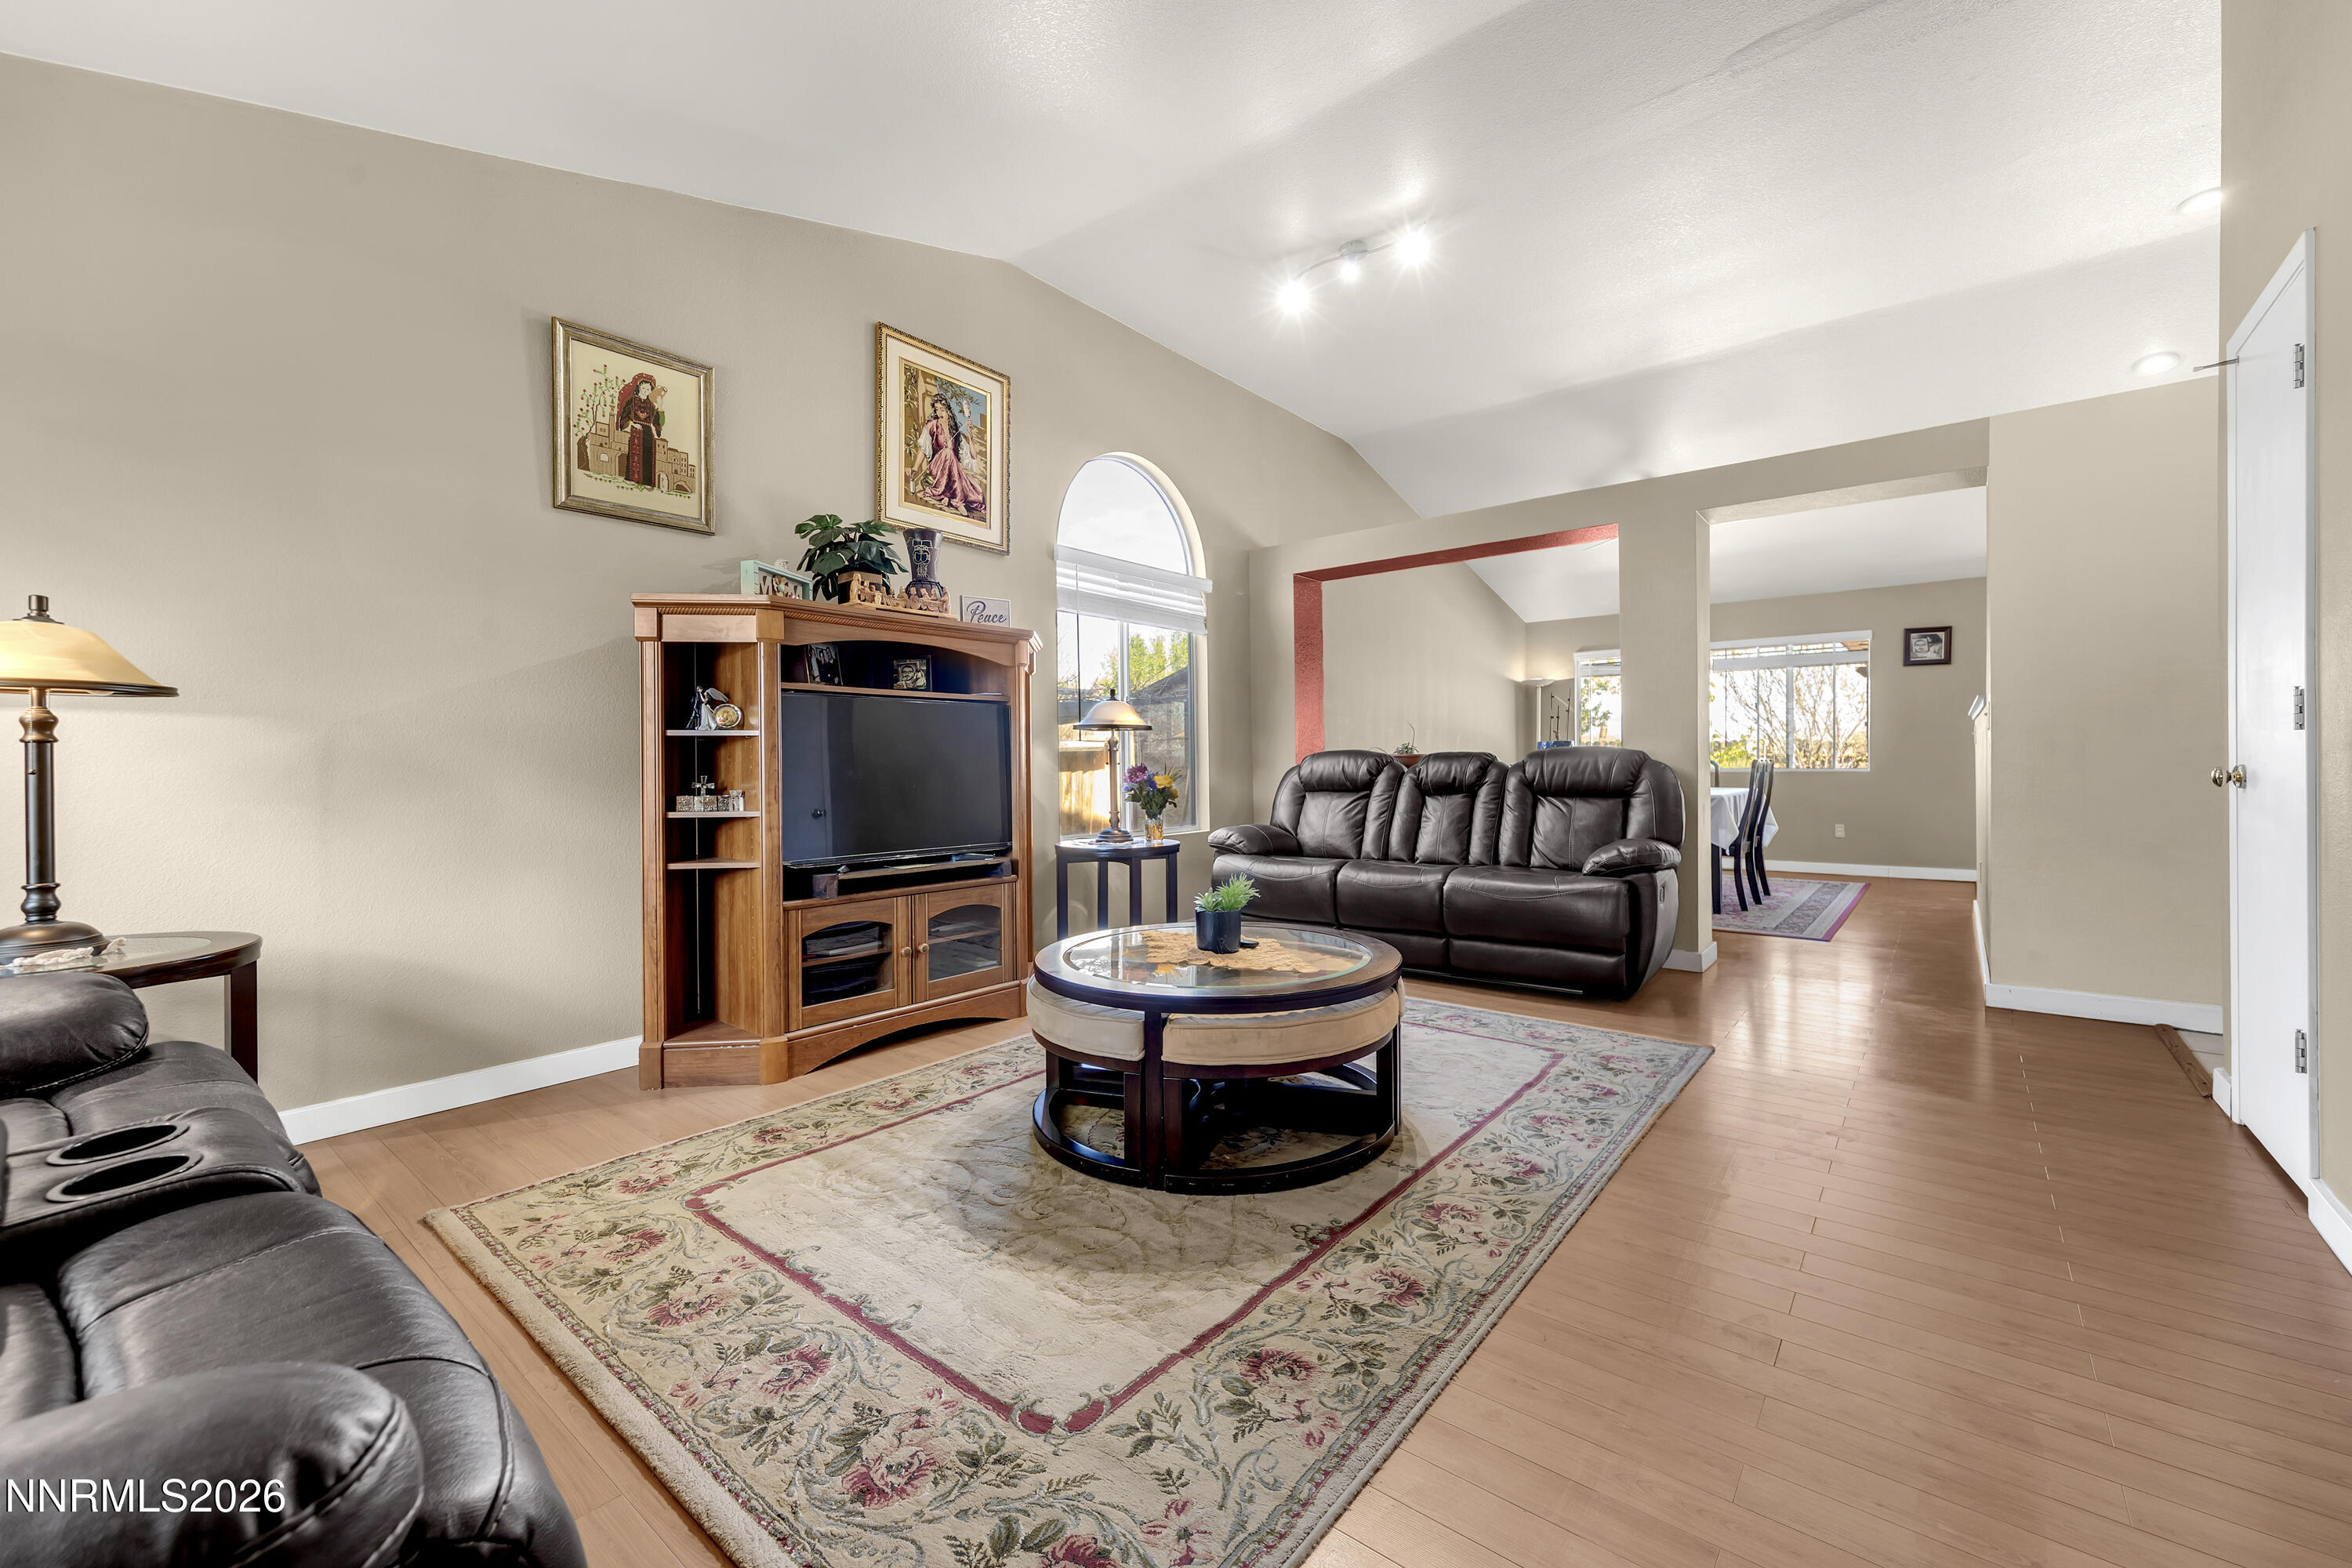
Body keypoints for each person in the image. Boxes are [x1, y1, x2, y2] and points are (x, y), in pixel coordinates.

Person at [916, 390, 986, 517]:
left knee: (977, 491)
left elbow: (973, 456)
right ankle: (958, 502)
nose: (939, 413)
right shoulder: (932, 425)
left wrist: (970, 434)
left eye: (942, 409)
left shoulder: (955, 431)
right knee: (948, 452)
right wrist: (916, 467)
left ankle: (948, 496)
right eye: (937, 409)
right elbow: (923, 447)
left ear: (948, 409)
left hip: (952, 469)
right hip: (937, 466)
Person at [614, 373, 665, 488]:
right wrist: (632, 424)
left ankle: (647, 483)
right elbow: (624, 416)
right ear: (639, 388)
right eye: (643, 388)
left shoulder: (651, 405)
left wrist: (660, 406)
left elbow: (658, 423)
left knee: (648, 455)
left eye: (648, 389)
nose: (645, 390)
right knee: (634, 455)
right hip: (635, 431)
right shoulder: (631, 401)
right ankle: (632, 479)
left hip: (647, 433)